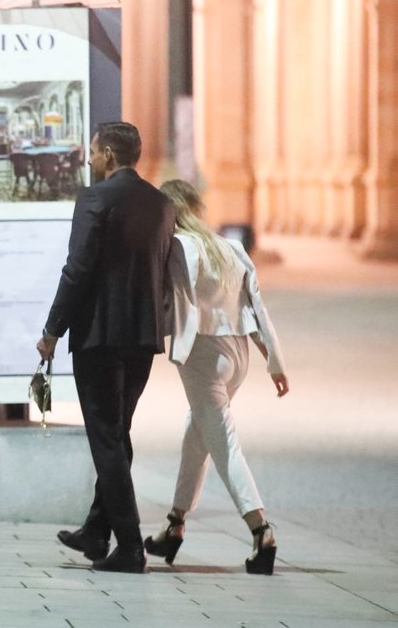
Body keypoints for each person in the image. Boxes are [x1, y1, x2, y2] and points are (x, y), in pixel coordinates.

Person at [36, 121, 175, 573]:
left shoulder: (95, 199)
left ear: (110, 156)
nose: (90, 159)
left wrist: (52, 330)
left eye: (94, 152)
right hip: (143, 336)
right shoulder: (162, 204)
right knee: (118, 434)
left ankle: (130, 547)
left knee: (106, 438)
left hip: (98, 335)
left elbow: (77, 270)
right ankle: (97, 531)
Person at [145, 179, 289, 575]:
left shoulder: (177, 248)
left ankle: (261, 530)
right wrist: (274, 361)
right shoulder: (232, 247)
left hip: (203, 354)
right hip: (238, 352)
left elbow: (160, 299)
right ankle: (174, 524)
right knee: (200, 430)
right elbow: (257, 307)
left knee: (222, 441)